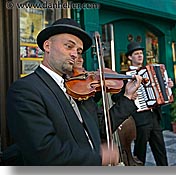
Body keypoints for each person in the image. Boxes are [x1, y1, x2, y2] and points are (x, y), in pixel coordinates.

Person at [6, 18, 142, 166]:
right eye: (68, 46)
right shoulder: (25, 90)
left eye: (78, 51)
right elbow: (43, 151)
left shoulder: (78, 88)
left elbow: (102, 127)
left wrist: (128, 97)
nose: (74, 55)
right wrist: (99, 157)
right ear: (47, 46)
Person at [112, 41, 174, 166]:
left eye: (141, 53)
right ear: (130, 57)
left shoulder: (151, 70)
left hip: (154, 116)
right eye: (136, 54)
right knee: (140, 154)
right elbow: (115, 97)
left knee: (161, 151)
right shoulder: (125, 76)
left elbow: (161, 89)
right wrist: (128, 95)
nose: (140, 56)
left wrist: (168, 86)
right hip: (139, 119)